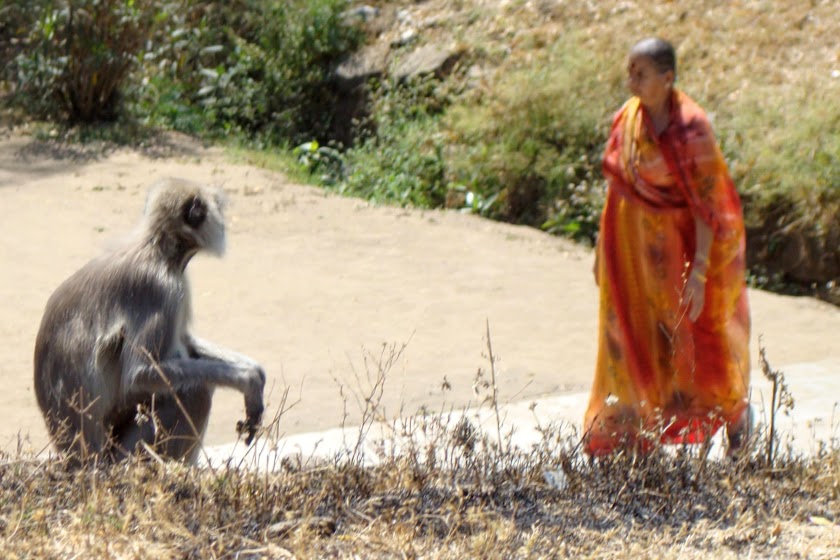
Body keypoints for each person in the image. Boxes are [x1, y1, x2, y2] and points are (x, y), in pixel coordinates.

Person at [584, 37, 752, 456]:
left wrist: (698, 274)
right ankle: (629, 442)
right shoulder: (627, 119)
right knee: (625, 337)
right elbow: (617, 190)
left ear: (668, 77)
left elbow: (709, 205)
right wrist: (601, 249)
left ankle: (735, 421)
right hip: (628, 254)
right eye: (629, 71)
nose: (631, 80)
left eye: (640, 72)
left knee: (687, 342)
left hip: (677, 256)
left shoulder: (692, 127)